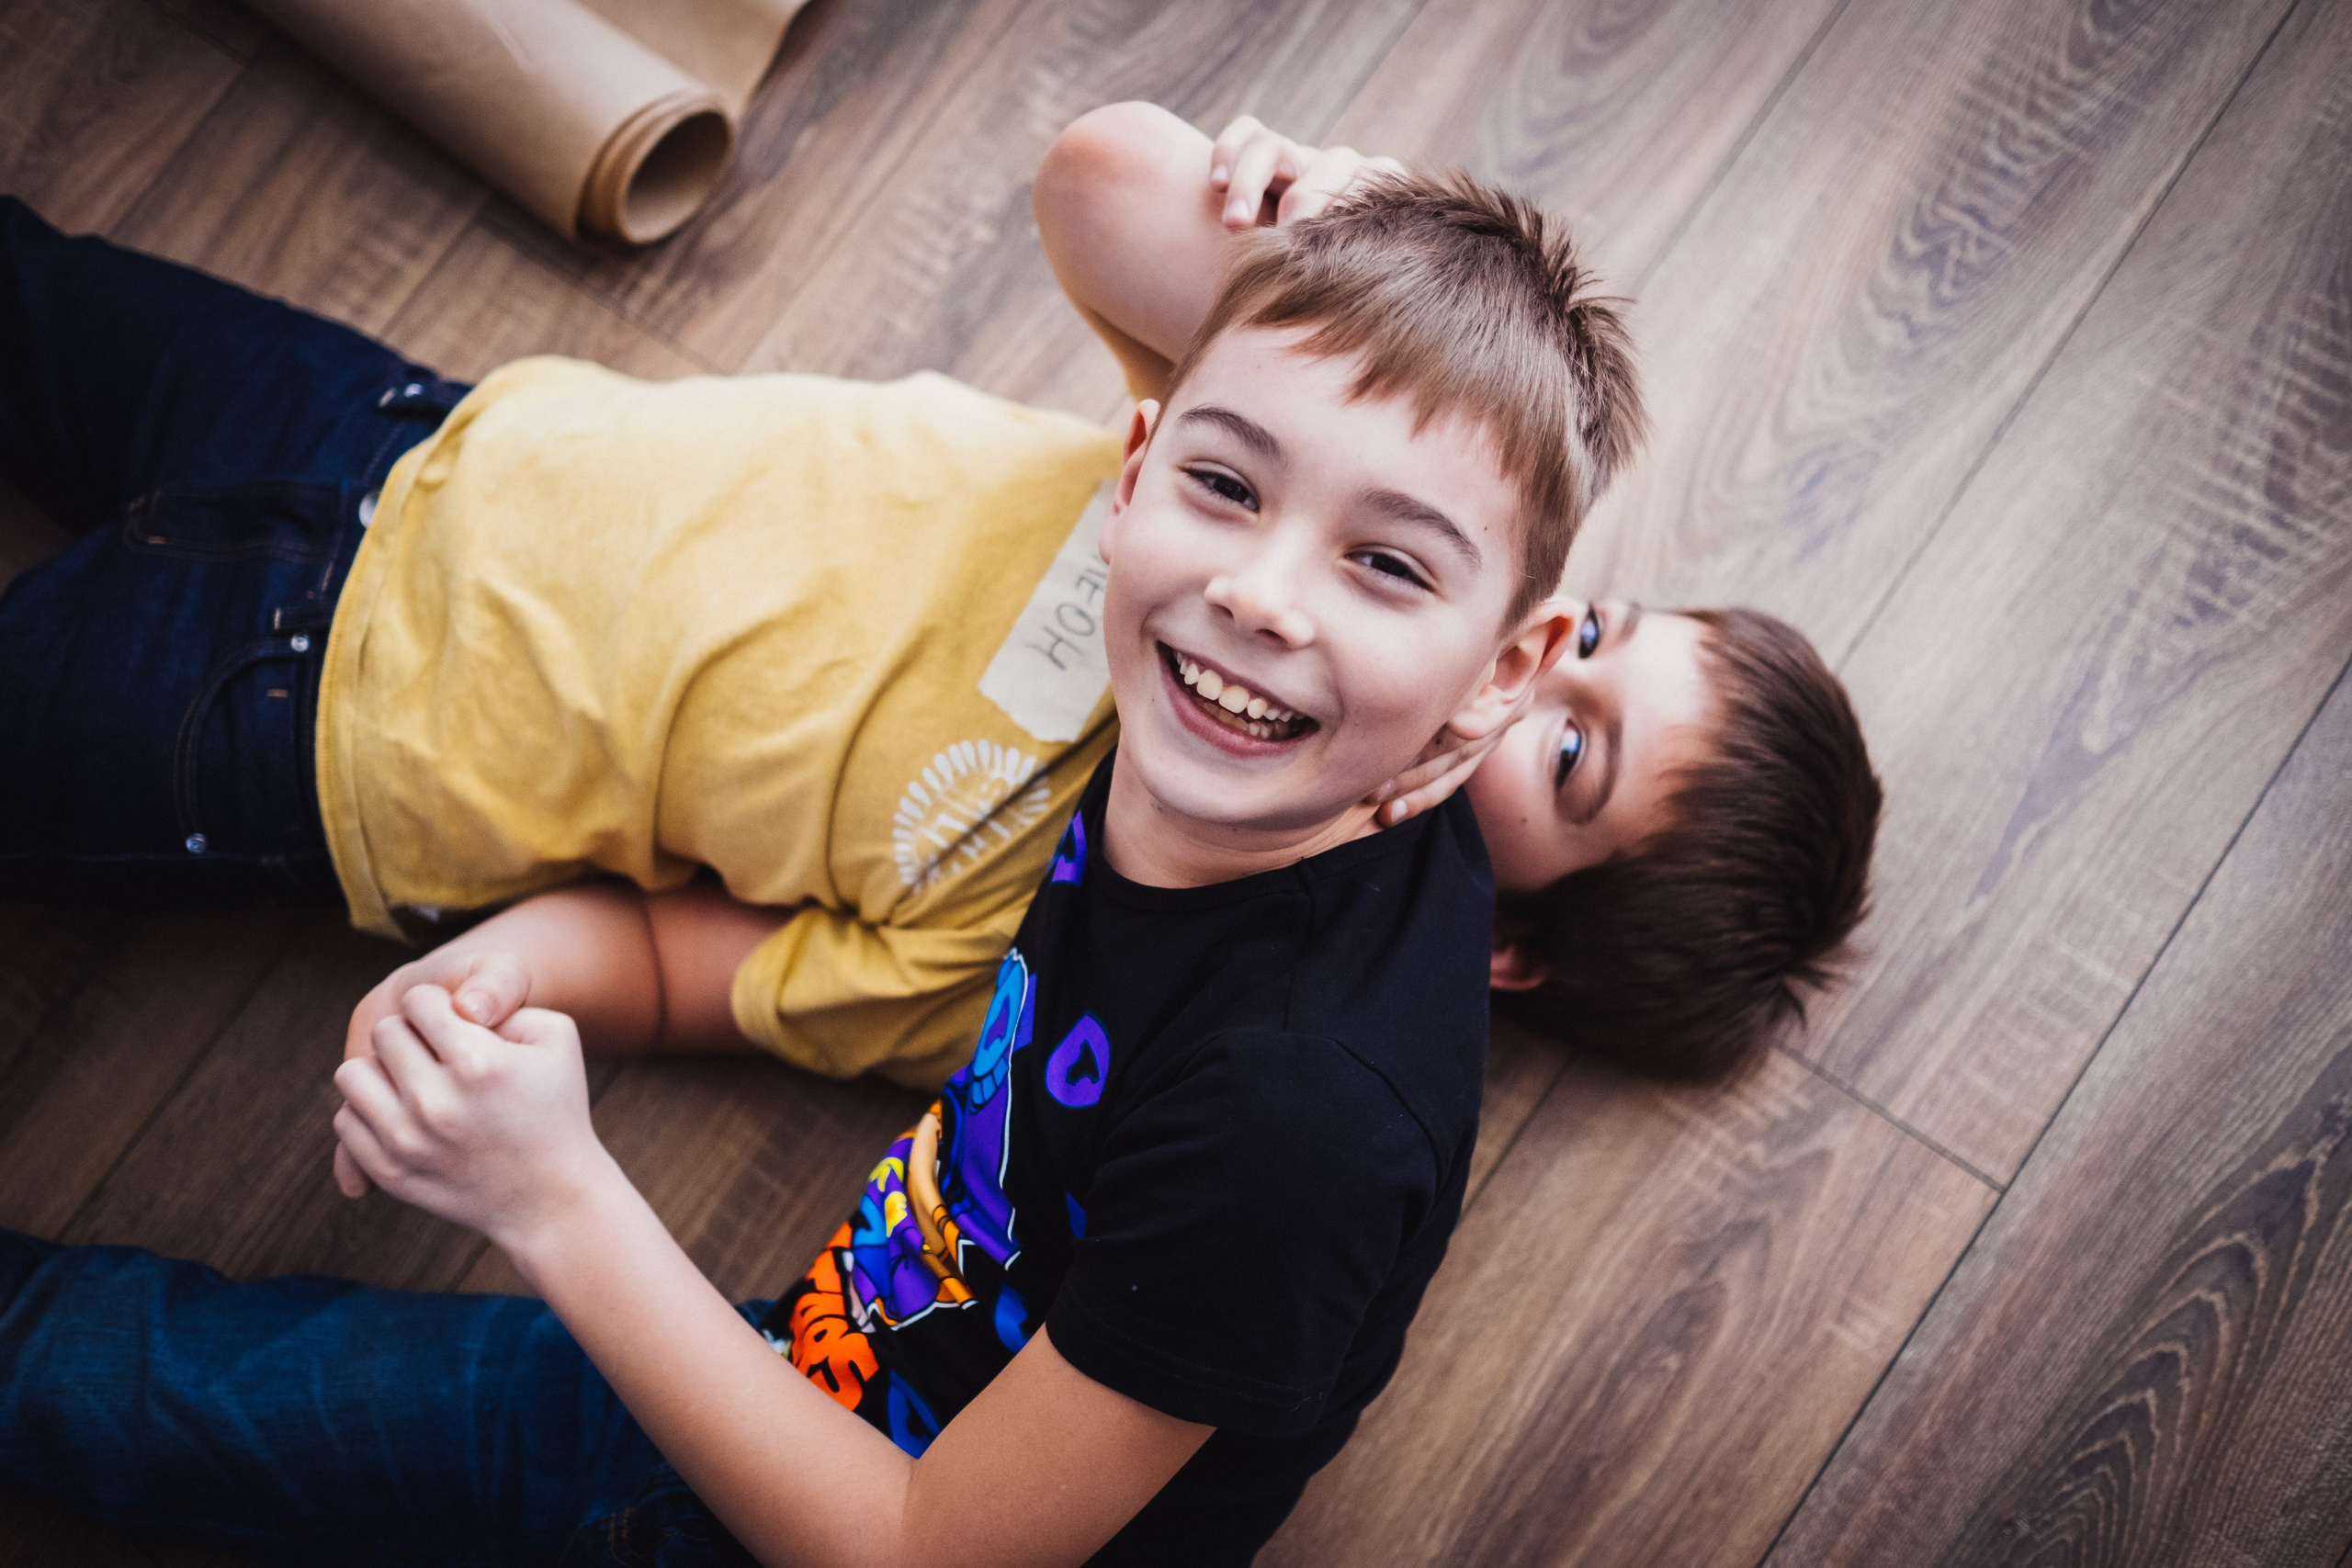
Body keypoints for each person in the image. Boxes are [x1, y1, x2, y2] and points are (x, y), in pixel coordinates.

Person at [3, 118, 1636, 1565]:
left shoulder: (1300, 1125)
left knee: (105, 1363)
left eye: (1390, 569)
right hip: (851, 1362)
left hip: (803, 1489)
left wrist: (554, 1191)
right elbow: (1106, 185)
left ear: (1505, 668)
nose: (1261, 595)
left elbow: (917, 1549)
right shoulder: (1229, 731)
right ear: (1138, 464)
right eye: (1226, 484)